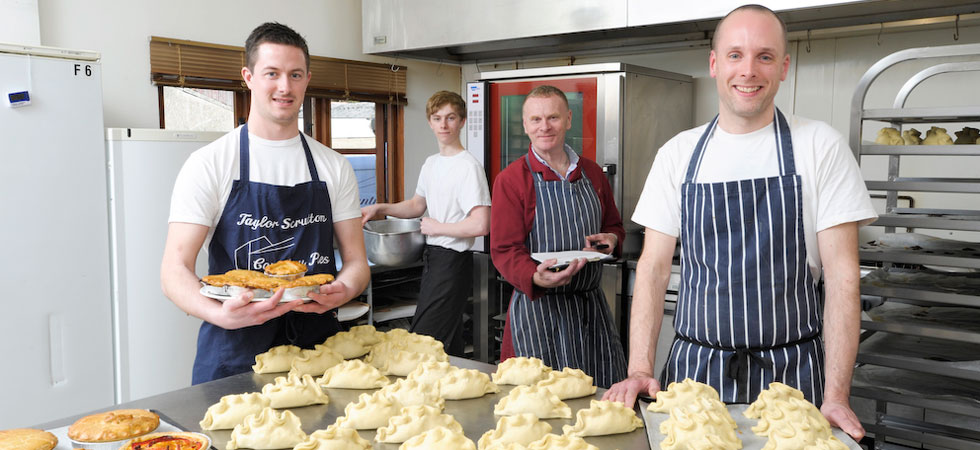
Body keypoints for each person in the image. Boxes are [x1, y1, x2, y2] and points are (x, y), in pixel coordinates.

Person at [602, 5, 875, 440]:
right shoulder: (679, 154)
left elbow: (844, 277)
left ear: (784, 67)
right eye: (735, 55)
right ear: (714, 64)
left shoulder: (820, 146)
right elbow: (653, 269)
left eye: (765, 56)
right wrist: (639, 369)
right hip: (694, 376)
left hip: (794, 378)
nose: (748, 70)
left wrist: (837, 394)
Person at [161, 22, 370, 384]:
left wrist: (345, 290)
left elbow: (355, 262)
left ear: (307, 79)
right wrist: (220, 314)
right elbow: (174, 270)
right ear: (249, 76)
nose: (284, 87)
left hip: (318, 353)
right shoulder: (210, 163)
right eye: (272, 73)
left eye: (295, 74)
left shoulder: (333, 166)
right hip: (233, 353)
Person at [490, 85, 628, 388]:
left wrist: (613, 240)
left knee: (603, 398)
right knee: (540, 405)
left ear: (568, 118)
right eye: (536, 120)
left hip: (591, 312)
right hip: (539, 312)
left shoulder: (592, 173)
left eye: (552, 117)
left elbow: (615, 226)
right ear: (525, 126)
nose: (544, 127)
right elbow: (504, 249)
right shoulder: (512, 180)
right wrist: (535, 277)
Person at [360, 90, 491, 356]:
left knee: (424, 342)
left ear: (462, 121)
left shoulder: (468, 167)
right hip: (435, 258)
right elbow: (416, 206)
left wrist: (437, 228)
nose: (444, 125)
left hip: (454, 263)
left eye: (451, 118)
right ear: (430, 122)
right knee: (447, 342)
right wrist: (380, 208)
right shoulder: (432, 163)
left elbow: (481, 225)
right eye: (437, 118)